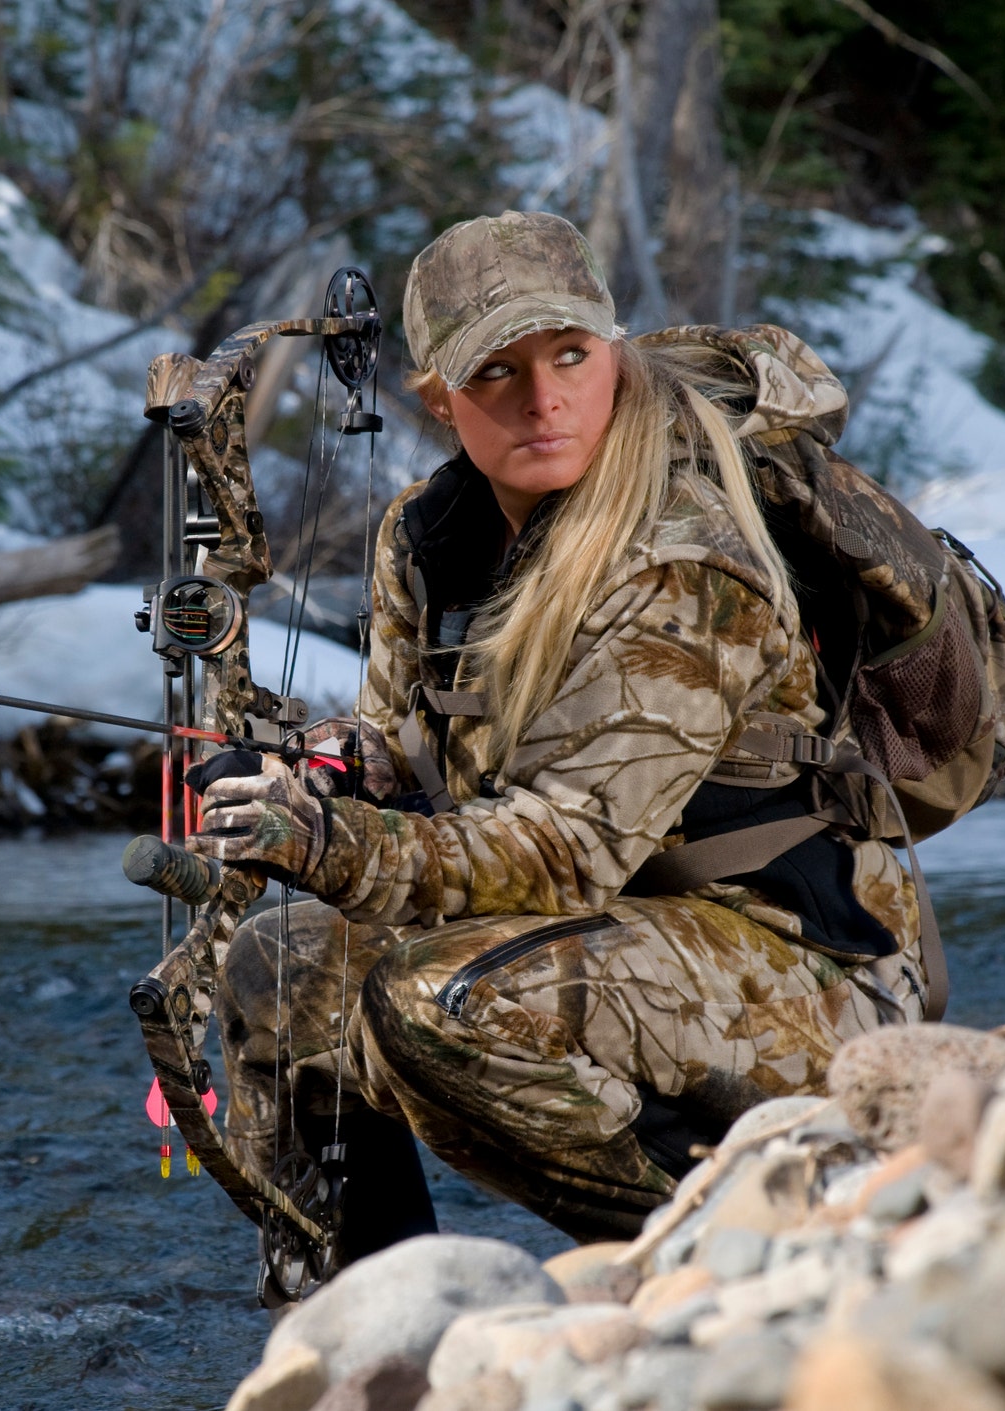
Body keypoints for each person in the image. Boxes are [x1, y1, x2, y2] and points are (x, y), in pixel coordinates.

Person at [186, 210, 931, 1259]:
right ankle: (361, 1318)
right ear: (438, 397)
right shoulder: (428, 535)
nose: (544, 399)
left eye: (572, 355)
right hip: (609, 939)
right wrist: (312, 769)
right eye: (496, 370)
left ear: (614, 356)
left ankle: (716, 1264)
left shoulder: (685, 559)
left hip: (795, 963)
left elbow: (565, 851)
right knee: (277, 967)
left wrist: (321, 843)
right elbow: (410, 757)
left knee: (440, 1002)